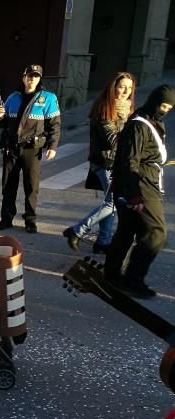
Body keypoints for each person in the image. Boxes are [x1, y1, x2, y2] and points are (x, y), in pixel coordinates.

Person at [104, 85, 175, 299]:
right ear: (154, 101)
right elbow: (129, 161)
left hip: (143, 183)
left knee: (128, 230)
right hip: (141, 185)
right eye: (163, 105)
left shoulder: (152, 122)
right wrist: (134, 194)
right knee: (156, 232)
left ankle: (112, 275)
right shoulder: (139, 125)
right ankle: (132, 280)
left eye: (169, 107)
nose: (165, 110)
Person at [63, 72, 136, 254]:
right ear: (113, 87)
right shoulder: (105, 108)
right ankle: (77, 230)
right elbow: (112, 140)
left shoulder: (128, 109)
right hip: (105, 162)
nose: (125, 91)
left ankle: (103, 242)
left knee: (109, 203)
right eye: (122, 86)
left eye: (129, 87)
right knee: (112, 203)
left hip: (116, 163)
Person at [0, 64, 61, 233]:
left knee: (31, 186)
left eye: (36, 76)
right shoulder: (12, 97)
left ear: (39, 79)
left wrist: (52, 145)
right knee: (8, 185)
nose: (32, 79)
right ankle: (6, 218)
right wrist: (0, 116)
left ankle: (30, 221)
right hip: (11, 147)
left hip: (32, 148)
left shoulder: (47, 98)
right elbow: (3, 124)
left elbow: (55, 125)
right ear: (23, 78)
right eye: (29, 76)